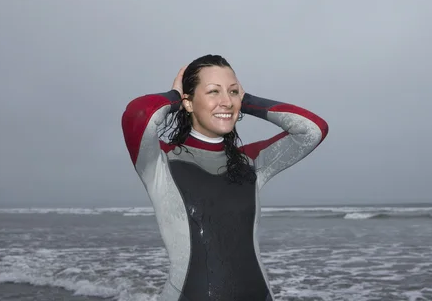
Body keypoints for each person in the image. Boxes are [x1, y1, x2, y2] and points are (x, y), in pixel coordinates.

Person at [121, 54, 329, 301]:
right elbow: (139, 114)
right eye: (213, 92)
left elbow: (313, 130)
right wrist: (175, 97)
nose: (226, 101)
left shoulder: (250, 161)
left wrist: (247, 101)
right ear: (189, 102)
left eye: (232, 92)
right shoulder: (160, 161)